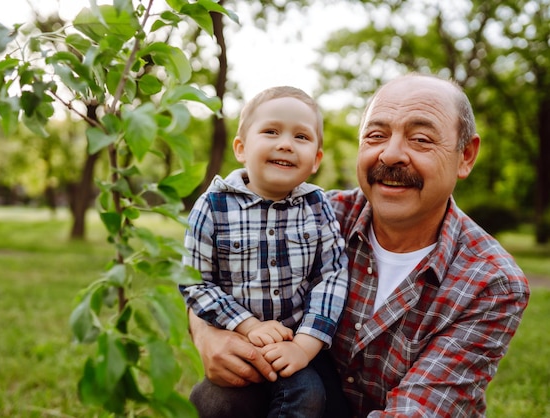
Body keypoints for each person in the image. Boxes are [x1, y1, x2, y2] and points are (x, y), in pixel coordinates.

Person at [186, 74, 530, 417]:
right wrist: (208, 334)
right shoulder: (313, 218)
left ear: (465, 156)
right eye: (376, 136)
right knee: (218, 398)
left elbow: (417, 410)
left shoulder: (492, 282)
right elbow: (203, 273)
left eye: (421, 139)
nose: (392, 154)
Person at [180, 86, 350, 417]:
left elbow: (331, 277)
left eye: (301, 137)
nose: (285, 143)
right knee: (213, 403)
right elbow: (193, 281)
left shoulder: (317, 207)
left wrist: (304, 345)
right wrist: (248, 326)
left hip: (299, 345)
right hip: (238, 343)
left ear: (316, 159)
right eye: (271, 131)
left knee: (312, 394)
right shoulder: (213, 206)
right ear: (241, 148)